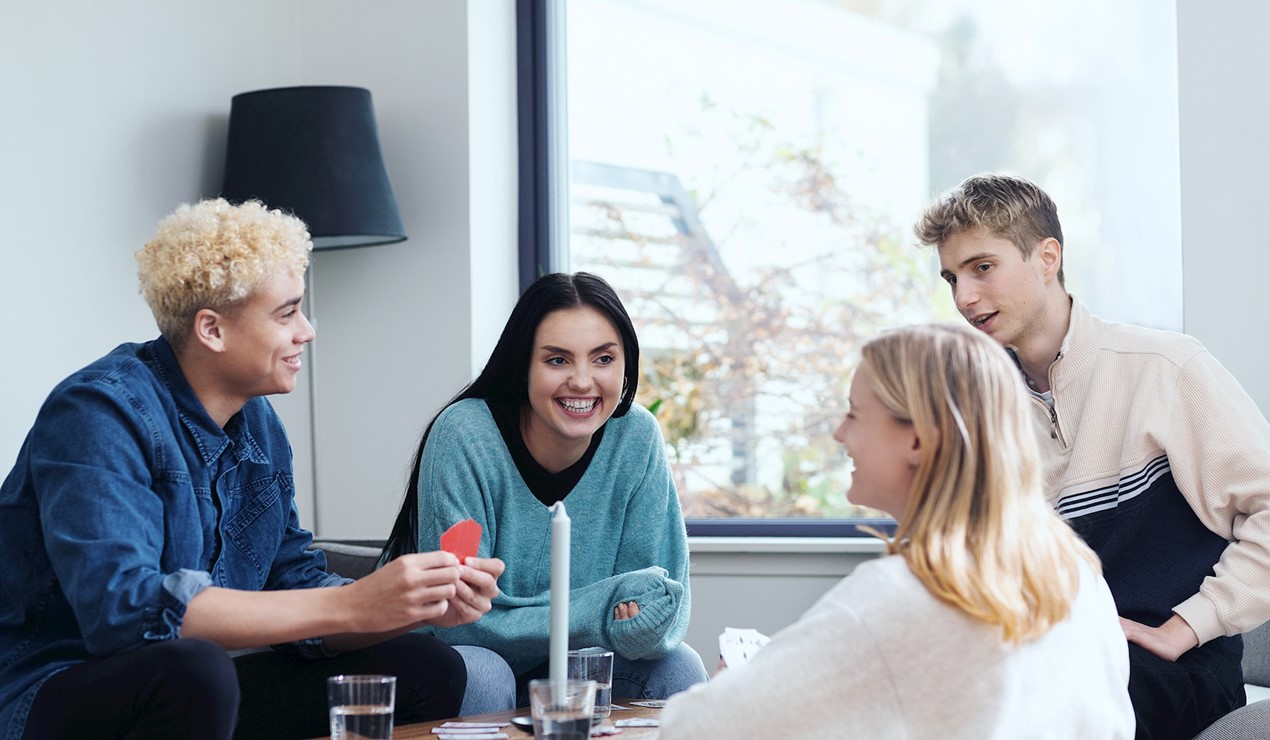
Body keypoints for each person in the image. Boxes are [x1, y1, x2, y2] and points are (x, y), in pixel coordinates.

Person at [0, 199, 505, 740]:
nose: (307, 331)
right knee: (195, 670)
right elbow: (127, 615)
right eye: (287, 314)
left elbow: (293, 581)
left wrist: (403, 605)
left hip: (196, 687)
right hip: (54, 689)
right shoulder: (98, 413)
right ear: (212, 330)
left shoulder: (257, 422)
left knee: (423, 667)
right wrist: (351, 602)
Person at [916, 173, 1270, 739]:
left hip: (1172, 667)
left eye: (982, 268)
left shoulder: (1164, 369)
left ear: (1047, 256)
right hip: (1051, 658)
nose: (964, 298)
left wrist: (1189, 626)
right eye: (951, 277)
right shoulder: (978, 408)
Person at [659, 323, 1133, 738]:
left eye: (855, 414)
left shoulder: (902, 598)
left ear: (919, 439)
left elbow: (696, 730)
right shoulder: (1076, 572)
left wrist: (731, 684)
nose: (840, 434)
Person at [381, 271, 708, 705]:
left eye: (603, 359)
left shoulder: (638, 437)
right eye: (557, 360)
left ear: (626, 362)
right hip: (463, 659)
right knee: (486, 673)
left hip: (578, 664)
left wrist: (635, 624)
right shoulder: (464, 435)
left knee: (680, 666)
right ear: (523, 365)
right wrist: (602, 610)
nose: (582, 381)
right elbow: (460, 622)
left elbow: (657, 611)